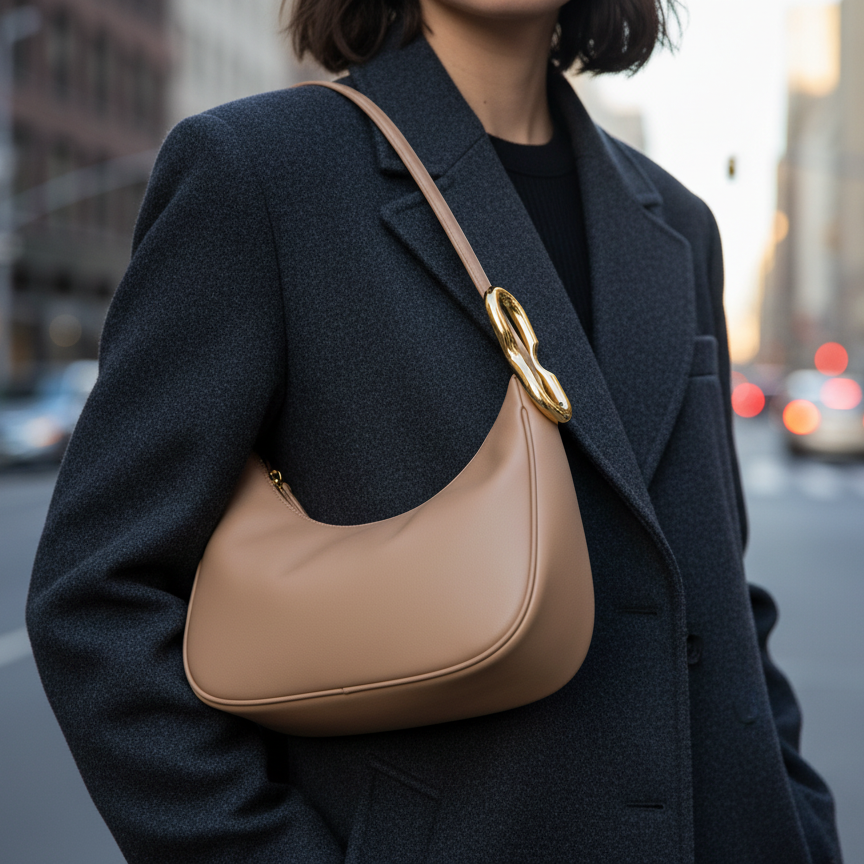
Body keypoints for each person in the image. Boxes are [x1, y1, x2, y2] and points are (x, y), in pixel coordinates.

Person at [27, 0, 842, 862]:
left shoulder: (680, 222)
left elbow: (717, 585)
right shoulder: (262, 172)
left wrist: (798, 817)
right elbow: (97, 594)